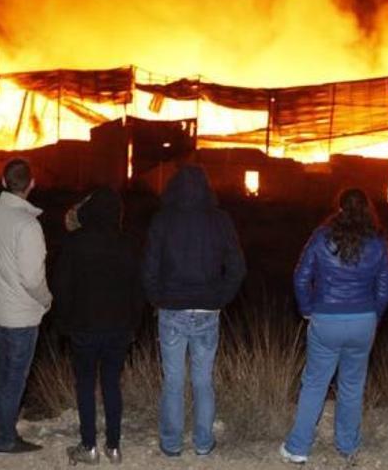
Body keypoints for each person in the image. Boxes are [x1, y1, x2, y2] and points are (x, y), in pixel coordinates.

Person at [280, 189, 388, 465]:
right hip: (363, 320)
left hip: (326, 319)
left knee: (315, 383)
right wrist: (372, 316)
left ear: (339, 208)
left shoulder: (321, 237)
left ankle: (298, 447)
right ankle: (347, 445)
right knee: (352, 385)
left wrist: (307, 310)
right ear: (367, 209)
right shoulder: (379, 243)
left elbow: (300, 277)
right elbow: (385, 288)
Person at [142, 164, 246, 457]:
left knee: (173, 380)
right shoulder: (220, 220)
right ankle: (203, 443)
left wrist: (157, 299)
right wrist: (220, 298)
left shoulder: (163, 220)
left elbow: (149, 268)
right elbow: (237, 267)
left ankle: (172, 444)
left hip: (172, 309)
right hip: (207, 311)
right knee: (203, 380)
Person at [51, 187, 144, 465]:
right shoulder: (128, 243)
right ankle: (114, 446)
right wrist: (134, 325)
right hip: (118, 328)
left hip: (83, 327)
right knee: (111, 384)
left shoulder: (74, 243)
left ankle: (88, 445)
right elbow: (137, 289)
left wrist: (62, 323)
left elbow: (61, 287)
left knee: (85, 385)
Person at [0, 158, 52, 455]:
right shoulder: (28, 225)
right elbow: (32, 277)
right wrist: (46, 300)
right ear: (31, 184)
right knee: (15, 377)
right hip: (21, 314)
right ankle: (5, 438)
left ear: (3, 182)